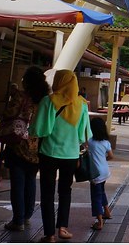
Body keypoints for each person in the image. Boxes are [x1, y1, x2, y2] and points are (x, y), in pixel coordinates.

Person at [30, 69, 92, 243]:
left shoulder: (48, 101)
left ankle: (50, 235)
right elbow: (83, 135)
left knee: (47, 194)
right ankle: (63, 228)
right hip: (71, 155)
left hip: (49, 153)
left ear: (58, 81)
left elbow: (41, 130)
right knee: (65, 191)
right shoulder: (82, 104)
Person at [0, 66, 49, 232]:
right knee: (30, 181)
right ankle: (27, 216)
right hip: (37, 145)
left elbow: (9, 113)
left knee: (18, 183)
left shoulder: (21, 96)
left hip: (19, 144)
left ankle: (18, 220)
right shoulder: (46, 99)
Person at [87, 117, 114, 231]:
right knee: (101, 192)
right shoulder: (106, 142)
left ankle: (99, 222)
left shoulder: (90, 141)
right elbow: (111, 156)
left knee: (96, 197)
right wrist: (103, 159)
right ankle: (107, 212)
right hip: (105, 171)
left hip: (95, 173)